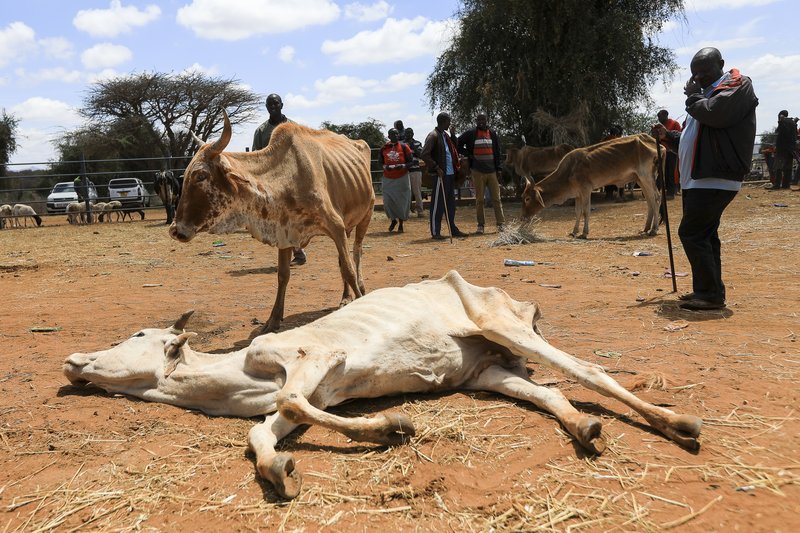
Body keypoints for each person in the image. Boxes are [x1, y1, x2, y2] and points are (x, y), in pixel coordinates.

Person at [654, 47, 758, 311]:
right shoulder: (705, 96)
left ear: (721, 64)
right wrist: (669, 138)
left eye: (704, 71)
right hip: (698, 178)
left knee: (691, 232)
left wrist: (693, 97)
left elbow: (715, 114)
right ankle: (709, 291)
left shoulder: (737, 86)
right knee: (705, 235)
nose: (698, 77)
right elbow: (695, 138)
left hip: (715, 177)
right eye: (694, 73)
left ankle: (710, 294)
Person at [252, 93, 306, 265]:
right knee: (279, 217)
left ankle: (297, 252)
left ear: (282, 105)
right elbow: (256, 156)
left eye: (276, 103)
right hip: (271, 181)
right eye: (269, 104)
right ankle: (296, 252)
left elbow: (303, 152)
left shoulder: (294, 127)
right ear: (266, 107)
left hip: (292, 179)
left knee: (291, 215)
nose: (273, 106)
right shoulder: (261, 131)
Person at [421, 112, 469, 239]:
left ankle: (452, 229)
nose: (450, 123)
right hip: (440, 175)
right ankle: (436, 232)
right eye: (449, 121)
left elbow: (454, 147)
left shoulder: (445, 135)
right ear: (443, 121)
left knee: (451, 205)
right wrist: (436, 167)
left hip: (450, 174)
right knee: (437, 205)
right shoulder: (433, 135)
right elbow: (424, 154)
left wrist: (453, 134)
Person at [456, 113, 505, 234]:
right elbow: (457, 143)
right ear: (476, 121)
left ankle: (501, 225)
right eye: (479, 120)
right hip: (477, 171)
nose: (481, 122)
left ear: (487, 120)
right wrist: (468, 154)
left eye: (483, 119)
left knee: (496, 199)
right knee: (479, 200)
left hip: (492, 171)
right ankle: (481, 226)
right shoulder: (471, 133)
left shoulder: (492, 133)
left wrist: (498, 169)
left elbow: (497, 152)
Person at [378, 128, 413, 233]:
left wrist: (402, 166)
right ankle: (393, 220)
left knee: (402, 201)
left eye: (397, 134)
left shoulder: (404, 147)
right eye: (392, 134)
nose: (395, 135)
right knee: (388, 201)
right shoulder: (384, 148)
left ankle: (401, 223)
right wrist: (385, 167)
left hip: (402, 177)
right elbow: (380, 163)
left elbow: (411, 162)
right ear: (388, 136)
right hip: (388, 178)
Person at [656, 110, 682, 199]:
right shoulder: (659, 127)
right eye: (658, 117)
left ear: (666, 115)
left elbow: (679, 137)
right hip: (660, 152)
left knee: (670, 171)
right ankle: (660, 191)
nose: (659, 119)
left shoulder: (674, 124)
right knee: (660, 172)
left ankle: (671, 193)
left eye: (660, 117)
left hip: (671, 152)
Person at [770, 110, 797, 190]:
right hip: (791, 148)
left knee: (778, 166)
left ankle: (777, 184)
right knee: (788, 167)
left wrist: (780, 122)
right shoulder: (792, 122)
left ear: (781, 115)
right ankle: (786, 184)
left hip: (782, 148)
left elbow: (779, 131)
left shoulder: (782, 121)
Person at [404, 128, 425, 217]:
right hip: (405, 171)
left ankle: (420, 211)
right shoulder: (402, 144)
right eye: (407, 133)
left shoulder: (417, 143)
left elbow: (421, 155)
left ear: (413, 134)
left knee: (417, 192)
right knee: (406, 192)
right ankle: (406, 211)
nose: (409, 135)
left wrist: (413, 147)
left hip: (416, 170)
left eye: (410, 133)